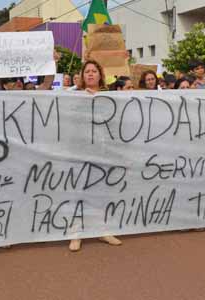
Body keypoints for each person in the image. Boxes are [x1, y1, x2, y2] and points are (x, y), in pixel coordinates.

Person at [67, 60, 123, 251]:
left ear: (100, 75)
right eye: (87, 71)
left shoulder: (109, 97)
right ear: (82, 76)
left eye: (94, 71)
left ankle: (102, 230)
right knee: (79, 192)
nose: (90, 74)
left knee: (101, 192)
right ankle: (76, 233)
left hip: (102, 150)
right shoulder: (73, 96)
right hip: (80, 151)